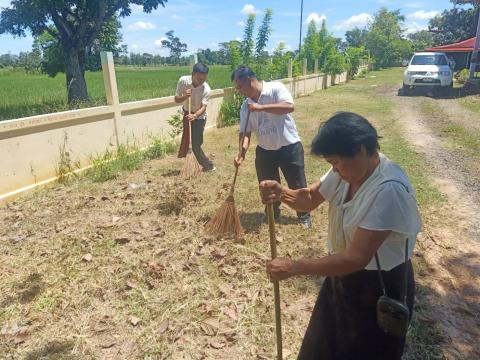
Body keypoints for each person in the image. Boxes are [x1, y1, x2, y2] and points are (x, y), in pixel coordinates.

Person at [259, 112, 422, 359]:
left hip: (378, 289)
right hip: (342, 280)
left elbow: (355, 259)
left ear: (361, 150)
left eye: (337, 162)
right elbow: (310, 199)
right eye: (331, 164)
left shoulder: (388, 190)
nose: (335, 169)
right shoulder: (346, 172)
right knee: (322, 348)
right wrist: (282, 193)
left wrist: (295, 267)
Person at [231, 65, 311, 228]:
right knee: (267, 186)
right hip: (265, 151)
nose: (239, 90)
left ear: (250, 81)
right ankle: (272, 213)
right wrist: (242, 152)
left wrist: (261, 108)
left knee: (297, 183)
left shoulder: (275, 88)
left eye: (240, 86)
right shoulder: (245, 107)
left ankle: (304, 214)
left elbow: (289, 106)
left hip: (289, 146)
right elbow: (245, 133)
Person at [175, 62, 215, 172]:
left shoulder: (206, 88)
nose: (201, 81)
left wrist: (195, 115)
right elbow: (176, 99)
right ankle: (194, 164)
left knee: (196, 143)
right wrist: (184, 96)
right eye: (198, 78)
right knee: (189, 142)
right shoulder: (183, 81)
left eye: (204, 79)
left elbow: (203, 107)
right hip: (187, 113)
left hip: (199, 117)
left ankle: (208, 165)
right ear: (193, 74)